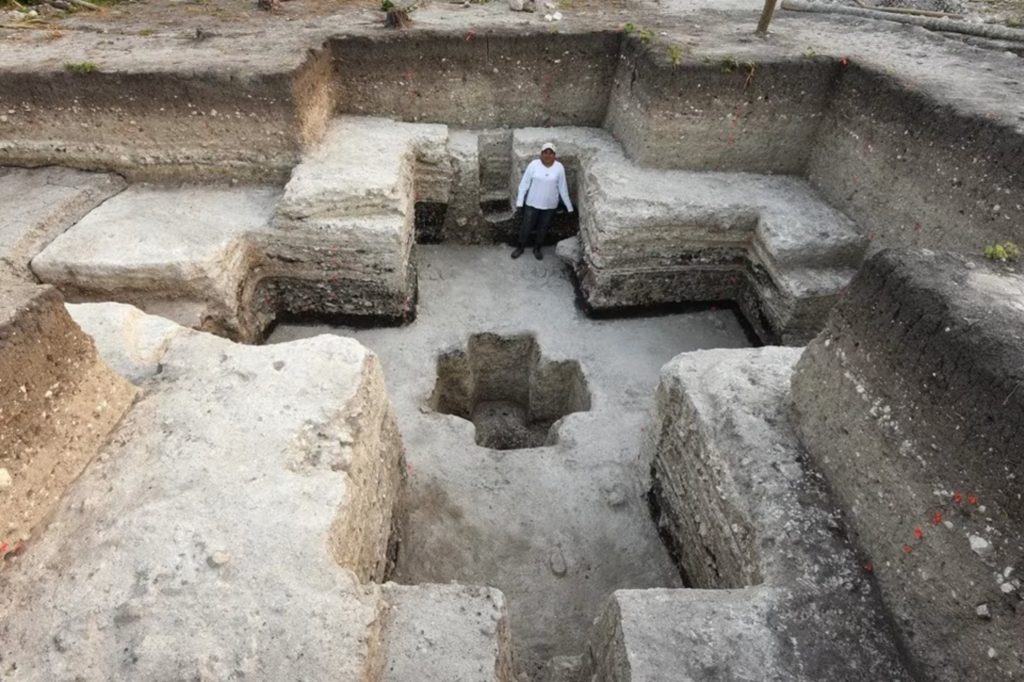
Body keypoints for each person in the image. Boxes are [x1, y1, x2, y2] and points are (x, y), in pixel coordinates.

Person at [511, 142, 574, 260]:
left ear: (555, 155)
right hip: (532, 203)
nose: (548, 155)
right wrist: (520, 203)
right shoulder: (534, 165)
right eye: (545, 152)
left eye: (551, 153)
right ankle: (520, 247)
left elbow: (563, 188)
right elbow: (524, 185)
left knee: (543, 227)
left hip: (550, 206)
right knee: (526, 226)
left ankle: (537, 248)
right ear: (541, 154)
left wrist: (569, 207)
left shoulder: (559, 167)